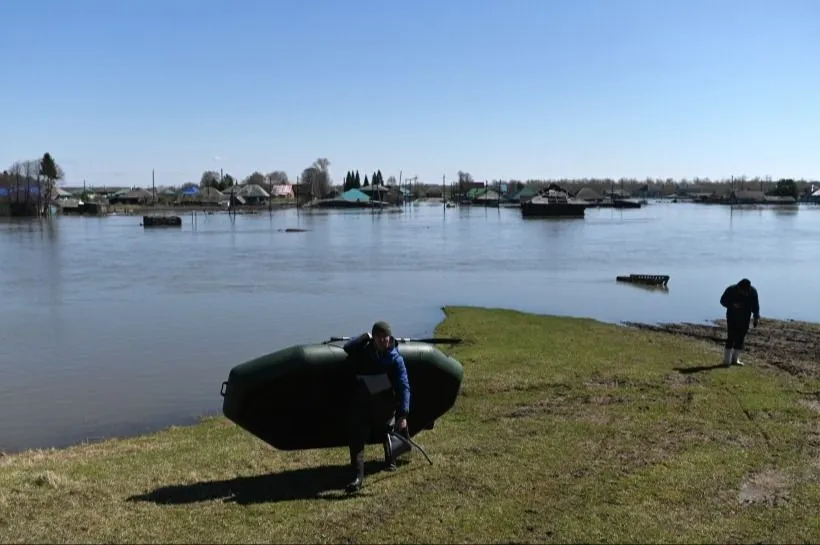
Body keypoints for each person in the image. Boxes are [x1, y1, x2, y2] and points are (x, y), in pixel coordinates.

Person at [342, 320, 411, 494]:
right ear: (374, 339)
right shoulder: (365, 350)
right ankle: (357, 476)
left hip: (385, 404)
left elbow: (404, 386)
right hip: (364, 402)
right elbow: (348, 348)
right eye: (380, 338)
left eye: (386, 338)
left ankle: (391, 459)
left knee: (388, 426)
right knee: (356, 431)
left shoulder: (395, 359)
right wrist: (364, 336)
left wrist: (403, 414)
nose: (384, 341)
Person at [719, 278, 760, 367]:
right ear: (739, 287)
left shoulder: (753, 292)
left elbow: (756, 306)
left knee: (740, 339)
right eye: (743, 291)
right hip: (732, 317)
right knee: (731, 337)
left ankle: (735, 360)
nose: (745, 293)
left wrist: (756, 318)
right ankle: (726, 361)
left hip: (745, 318)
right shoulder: (731, 290)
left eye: (746, 291)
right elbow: (722, 301)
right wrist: (732, 305)